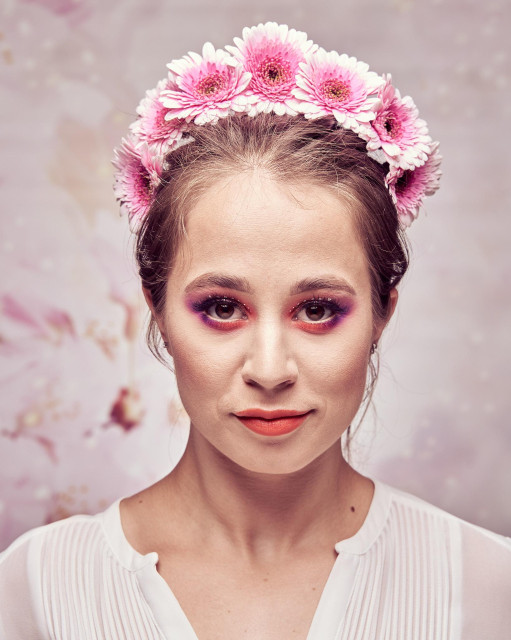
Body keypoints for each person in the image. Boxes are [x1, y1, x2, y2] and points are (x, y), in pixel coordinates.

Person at [0, 22, 510, 640]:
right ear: (155, 308)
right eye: (221, 308)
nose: (270, 370)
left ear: (383, 313)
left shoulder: (487, 586)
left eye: (318, 310)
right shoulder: (35, 587)